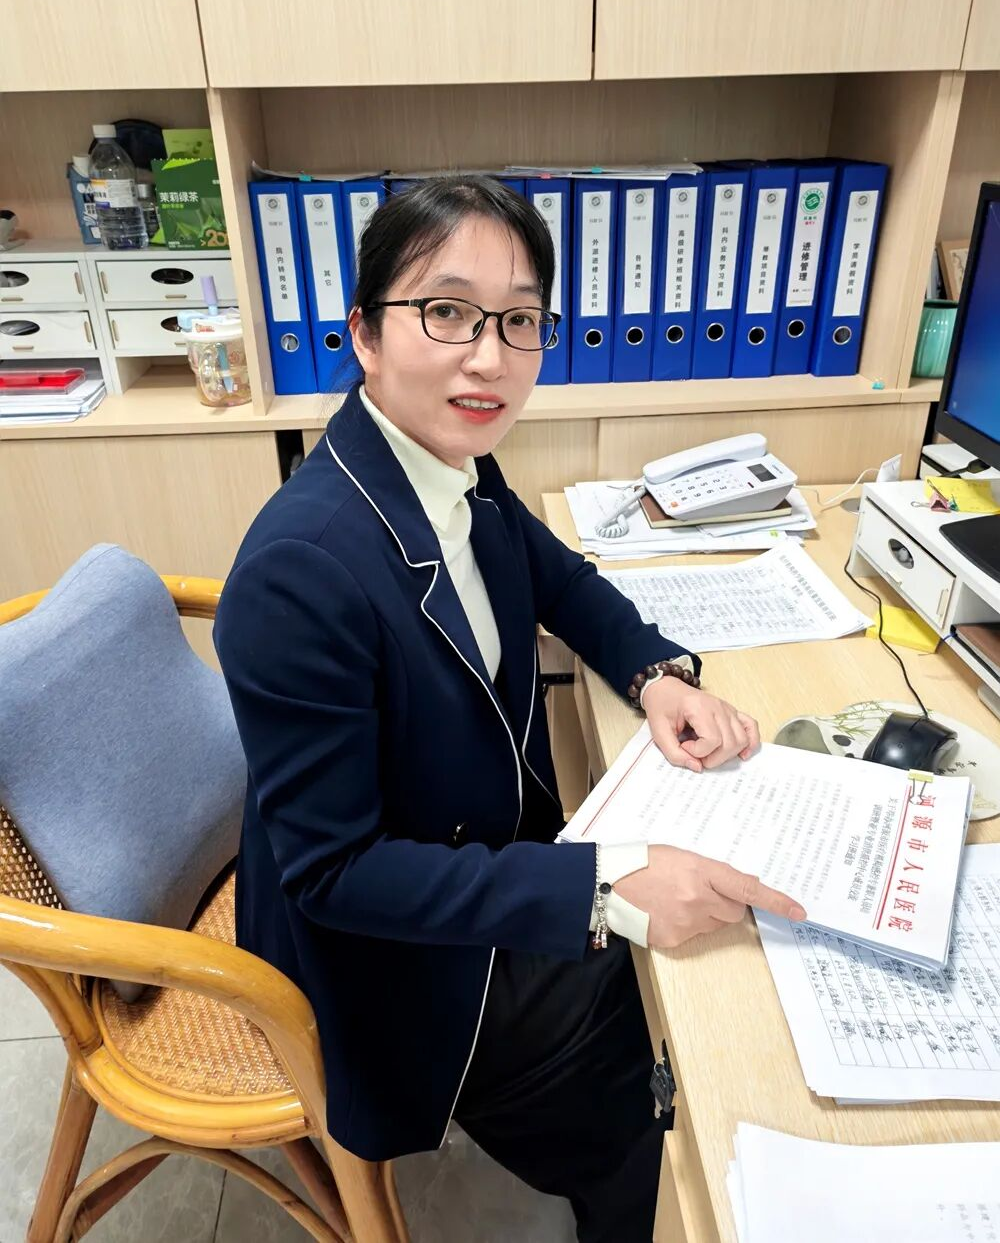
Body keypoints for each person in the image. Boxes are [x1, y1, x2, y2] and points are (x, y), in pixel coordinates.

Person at [213, 175, 806, 1242]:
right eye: (447, 311)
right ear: (364, 333)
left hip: (478, 849)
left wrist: (656, 675)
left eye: (519, 319)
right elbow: (336, 875)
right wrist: (597, 888)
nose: (489, 357)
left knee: (709, 934)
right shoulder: (300, 570)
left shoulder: (451, 463)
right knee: (663, 1027)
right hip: (384, 959)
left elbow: (559, 578)